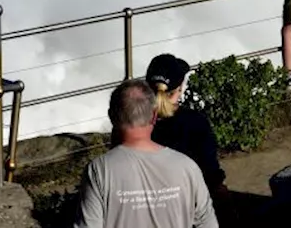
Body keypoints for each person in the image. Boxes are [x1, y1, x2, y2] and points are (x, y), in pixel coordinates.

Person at [74, 79, 218, 228]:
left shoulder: (99, 171)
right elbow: (207, 223)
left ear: (111, 116)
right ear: (154, 116)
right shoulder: (187, 167)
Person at [146, 54, 226, 201]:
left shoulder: (133, 123)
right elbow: (210, 172)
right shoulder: (195, 122)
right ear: (180, 88)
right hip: (188, 204)